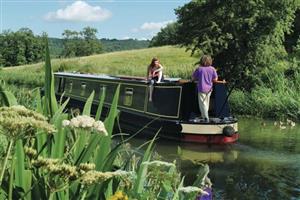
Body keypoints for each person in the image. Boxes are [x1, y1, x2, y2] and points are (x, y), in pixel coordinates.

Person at [192, 55, 225, 121]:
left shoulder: (199, 69)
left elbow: (193, 78)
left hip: (201, 89)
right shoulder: (212, 69)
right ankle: (204, 115)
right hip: (209, 89)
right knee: (206, 103)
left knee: (202, 104)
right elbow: (215, 79)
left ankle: (205, 118)